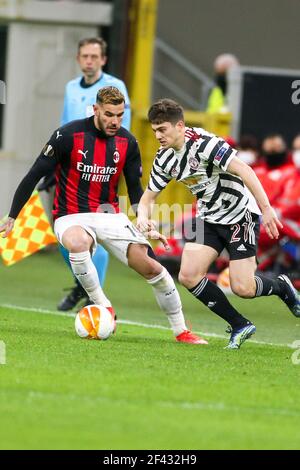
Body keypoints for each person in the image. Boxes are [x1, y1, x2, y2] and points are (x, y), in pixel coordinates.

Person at [0, 87, 206, 345]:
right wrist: (13, 215)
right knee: (78, 243)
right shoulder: (66, 135)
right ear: (96, 110)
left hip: (109, 215)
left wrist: (144, 221)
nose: (115, 121)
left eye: (120, 115)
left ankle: (181, 331)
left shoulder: (128, 142)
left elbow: (134, 189)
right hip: (70, 215)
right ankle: (103, 305)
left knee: (153, 267)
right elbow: (34, 175)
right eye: (109, 114)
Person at [137, 98, 300, 349]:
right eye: (155, 130)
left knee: (243, 287)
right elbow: (147, 198)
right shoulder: (164, 158)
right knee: (189, 275)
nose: (157, 135)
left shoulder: (205, 144)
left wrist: (266, 210)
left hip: (240, 215)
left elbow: (245, 170)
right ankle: (239, 324)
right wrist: (143, 219)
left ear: (179, 126)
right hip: (209, 218)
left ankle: (281, 287)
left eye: (162, 129)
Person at [41, 37, 132, 312]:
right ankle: (81, 284)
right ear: (79, 59)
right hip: (71, 173)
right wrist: (54, 166)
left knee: (98, 235)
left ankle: (94, 297)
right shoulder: (71, 87)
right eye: (85, 56)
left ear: (103, 59)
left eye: (95, 56)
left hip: (101, 173)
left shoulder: (115, 87)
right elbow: (65, 127)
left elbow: (121, 132)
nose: (90, 61)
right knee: (63, 233)